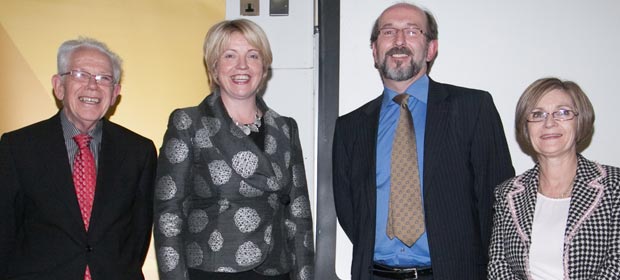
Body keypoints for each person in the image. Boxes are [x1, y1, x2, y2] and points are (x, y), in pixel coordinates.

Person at [332, 3, 515, 279]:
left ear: (431, 49)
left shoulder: (473, 109)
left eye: (412, 31)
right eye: (388, 32)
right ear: (374, 50)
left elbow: (498, 201)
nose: (399, 40)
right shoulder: (350, 127)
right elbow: (349, 211)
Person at [153, 19, 314, 280]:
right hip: (212, 271)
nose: (242, 66)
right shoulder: (189, 123)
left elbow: (299, 214)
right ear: (214, 67)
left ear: (264, 67)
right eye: (230, 55)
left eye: (253, 55)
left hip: (276, 271)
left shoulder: (286, 129)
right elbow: (168, 215)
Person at [0, 37, 157, 279]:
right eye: (80, 75)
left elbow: (138, 235)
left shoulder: (140, 152)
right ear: (59, 85)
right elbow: (6, 231)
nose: (93, 86)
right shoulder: (18, 147)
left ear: (115, 93)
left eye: (104, 78)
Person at [488, 78, 620, 279]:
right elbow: (498, 265)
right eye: (537, 114)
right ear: (526, 127)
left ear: (580, 120)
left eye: (563, 112)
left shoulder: (614, 186)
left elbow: (616, 265)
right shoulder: (507, 193)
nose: (549, 123)